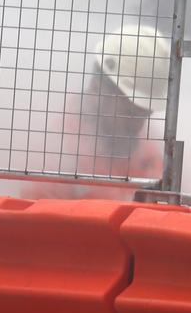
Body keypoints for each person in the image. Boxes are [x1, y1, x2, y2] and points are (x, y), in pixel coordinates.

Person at [22, 24, 170, 200]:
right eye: (130, 111)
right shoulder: (56, 148)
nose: (137, 123)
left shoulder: (147, 158)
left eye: (145, 113)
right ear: (98, 88)